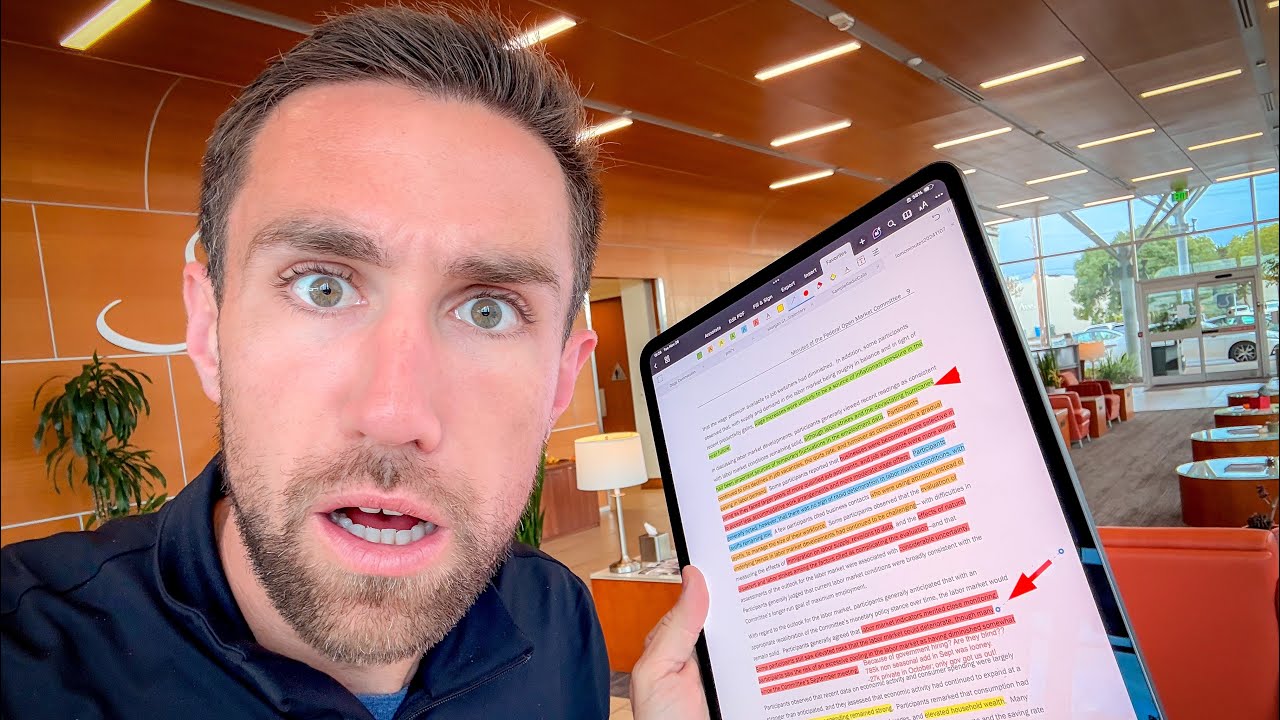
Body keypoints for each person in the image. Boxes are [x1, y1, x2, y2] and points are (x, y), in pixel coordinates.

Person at [1, 6, 709, 719]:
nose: (394, 413)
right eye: (323, 287)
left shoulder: (558, 618)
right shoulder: (25, 662)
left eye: (487, 311)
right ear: (209, 328)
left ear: (560, 380)